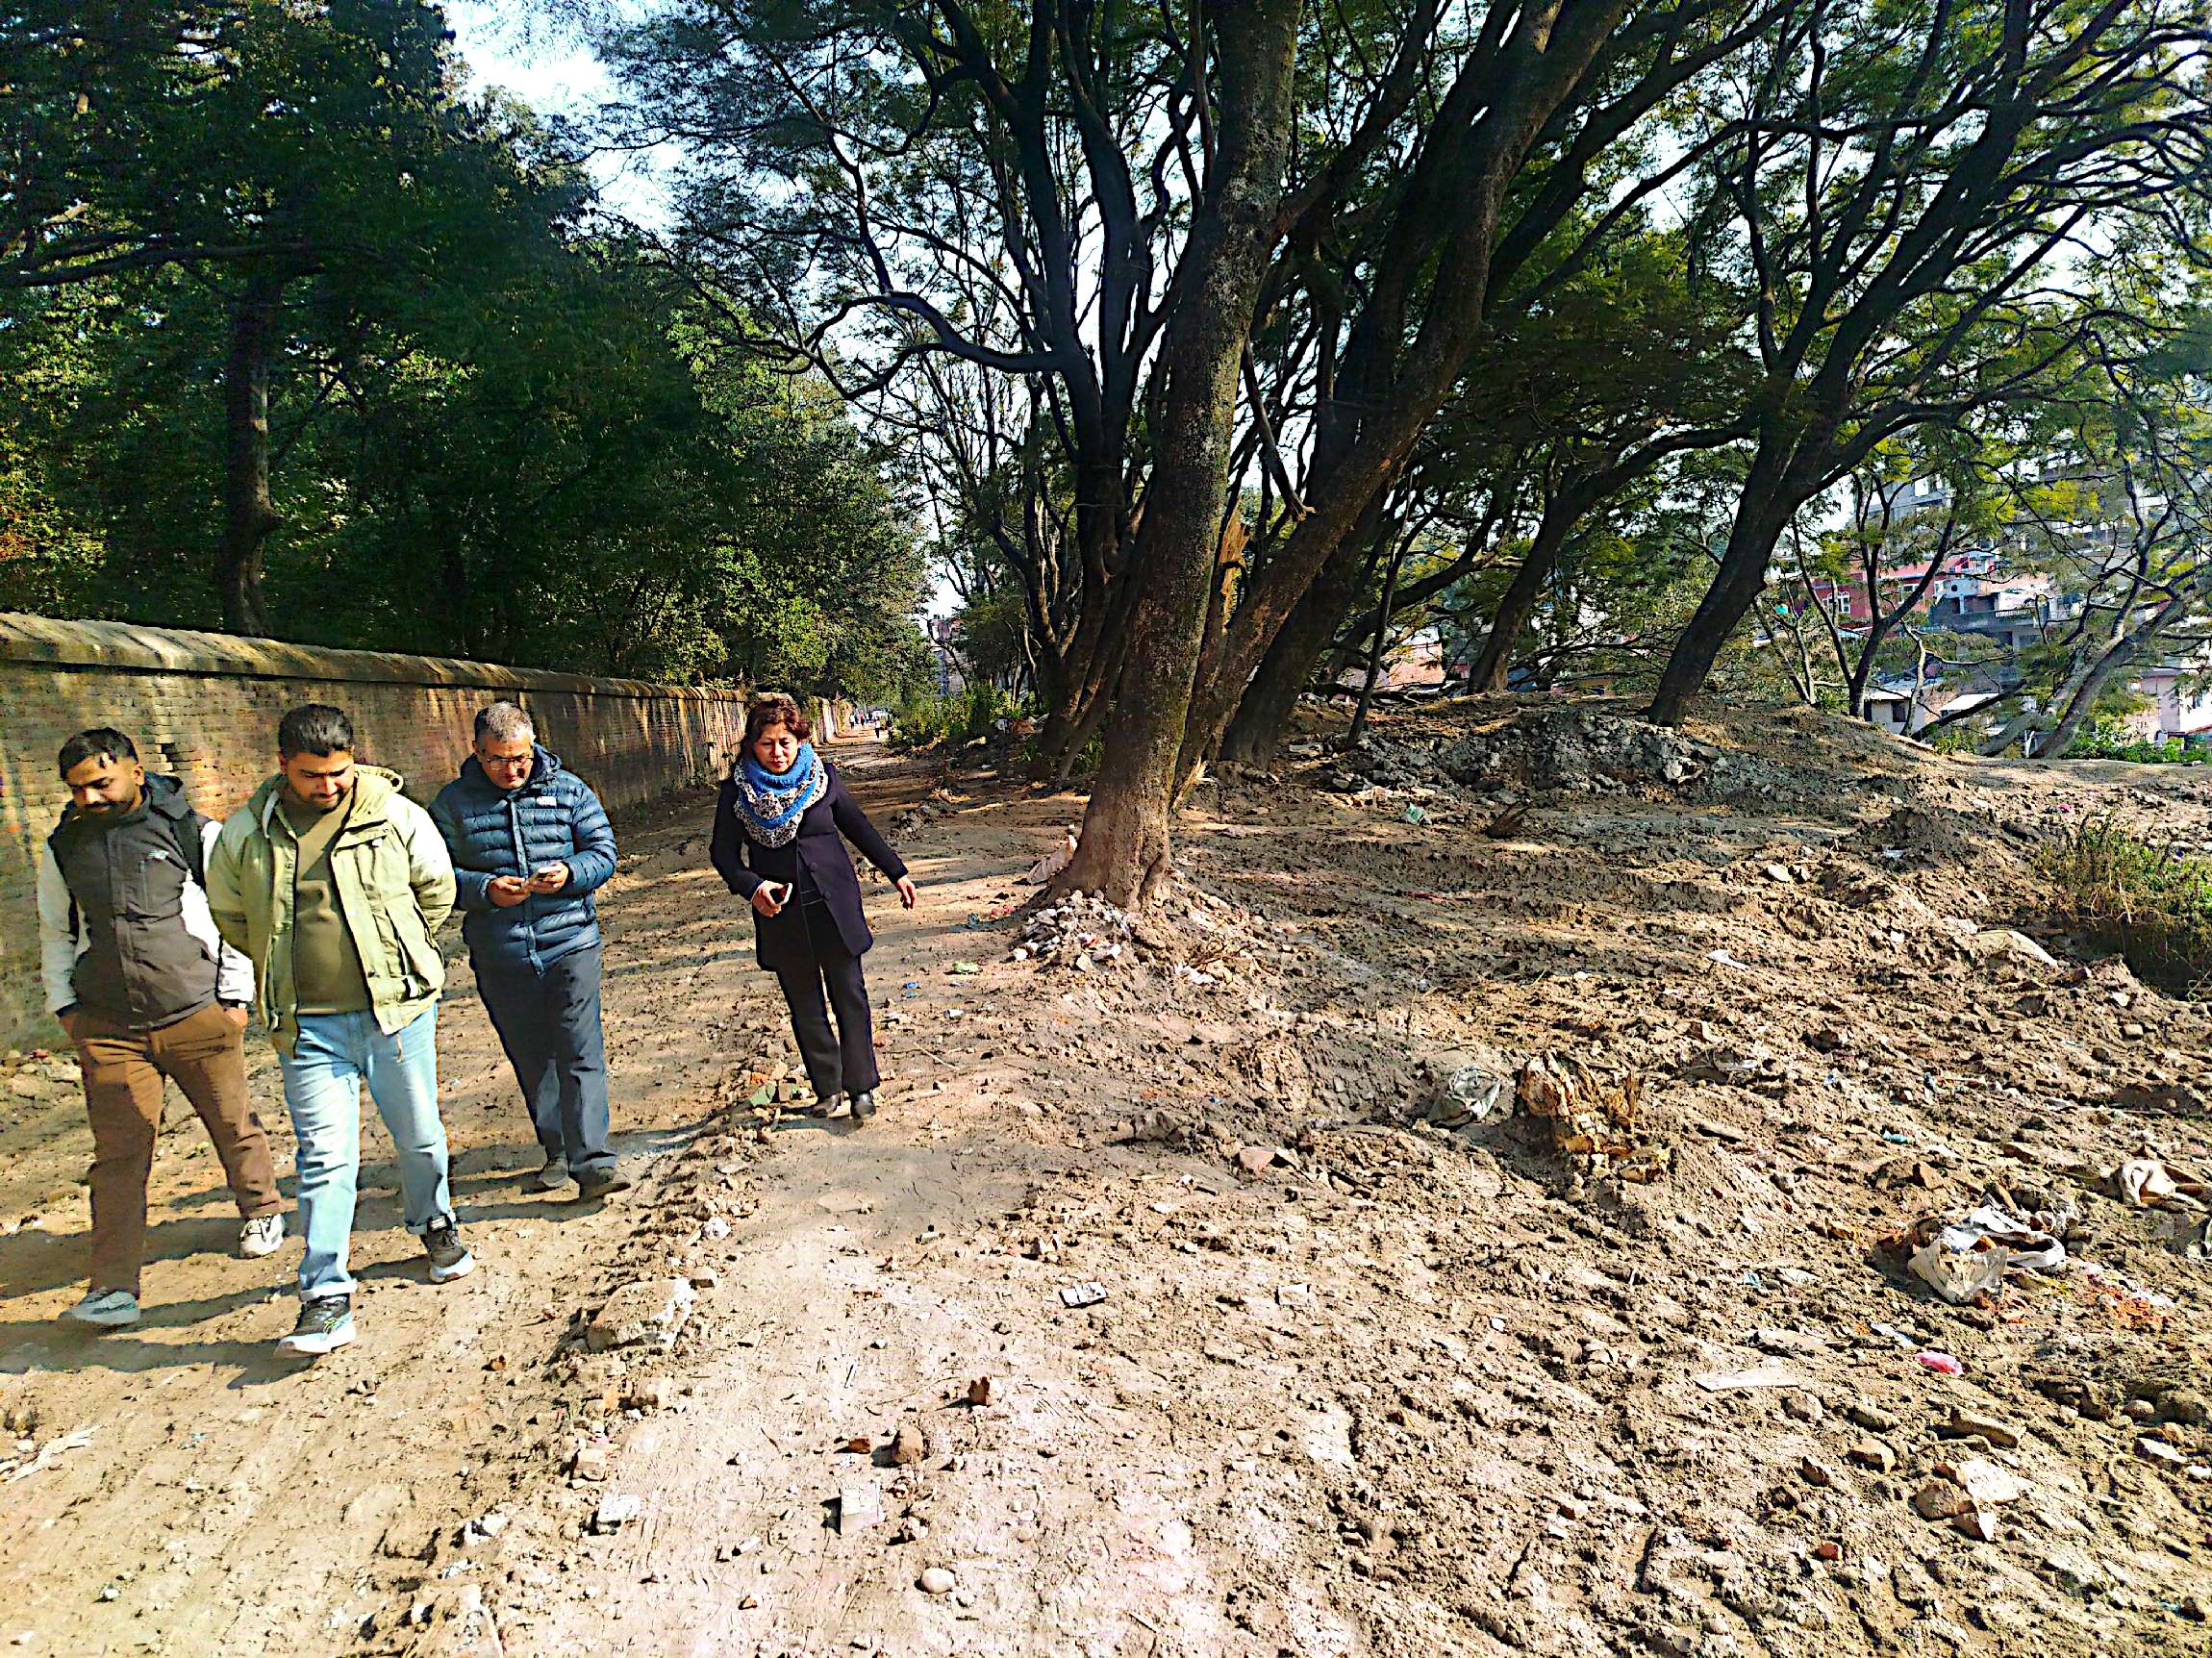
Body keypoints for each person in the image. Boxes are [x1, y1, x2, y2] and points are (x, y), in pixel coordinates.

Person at [206, 704, 472, 1358]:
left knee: (419, 1137)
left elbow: (435, 890)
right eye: (311, 775)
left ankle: (434, 1220)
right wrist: (285, 969)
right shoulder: (247, 833)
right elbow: (230, 915)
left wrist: (401, 953)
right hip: (308, 1027)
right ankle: (325, 1295)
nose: (327, 786)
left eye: (338, 772)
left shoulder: (395, 815)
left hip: (397, 1012)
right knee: (325, 1159)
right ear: (282, 766)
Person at [35, 729, 286, 1329]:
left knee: (232, 1123)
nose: (89, 798)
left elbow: (234, 916)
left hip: (195, 1010)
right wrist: (66, 1008)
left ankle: (261, 1209)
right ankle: (113, 1288)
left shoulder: (192, 832)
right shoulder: (63, 846)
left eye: (101, 783)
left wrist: (233, 998)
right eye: (77, 789)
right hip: (109, 1026)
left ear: (135, 769)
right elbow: (56, 930)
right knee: (118, 1156)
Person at [430, 702, 629, 1199]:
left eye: (520, 758)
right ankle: (557, 1150)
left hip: (571, 942)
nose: (512, 769)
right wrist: (484, 889)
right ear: (477, 752)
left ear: (533, 747)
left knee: (580, 1050)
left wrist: (571, 873)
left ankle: (593, 1162)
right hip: (501, 953)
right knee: (532, 1057)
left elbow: (603, 852)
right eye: (498, 759)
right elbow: (435, 874)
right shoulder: (451, 805)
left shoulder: (569, 790)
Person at [710, 695, 916, 1121]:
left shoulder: (822, 778)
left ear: (799, 741)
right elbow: (723, 854)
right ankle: (827, 1088)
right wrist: (753, 887)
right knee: (805, 1003)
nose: (777, 752)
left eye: (785, 742)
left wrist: (896, 872)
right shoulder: (736, 792)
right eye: (767, 744)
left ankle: (861, 1088)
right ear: (751, 745)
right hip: (781, 912)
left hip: (833, 906)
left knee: (850, 995)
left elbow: (858, 826)